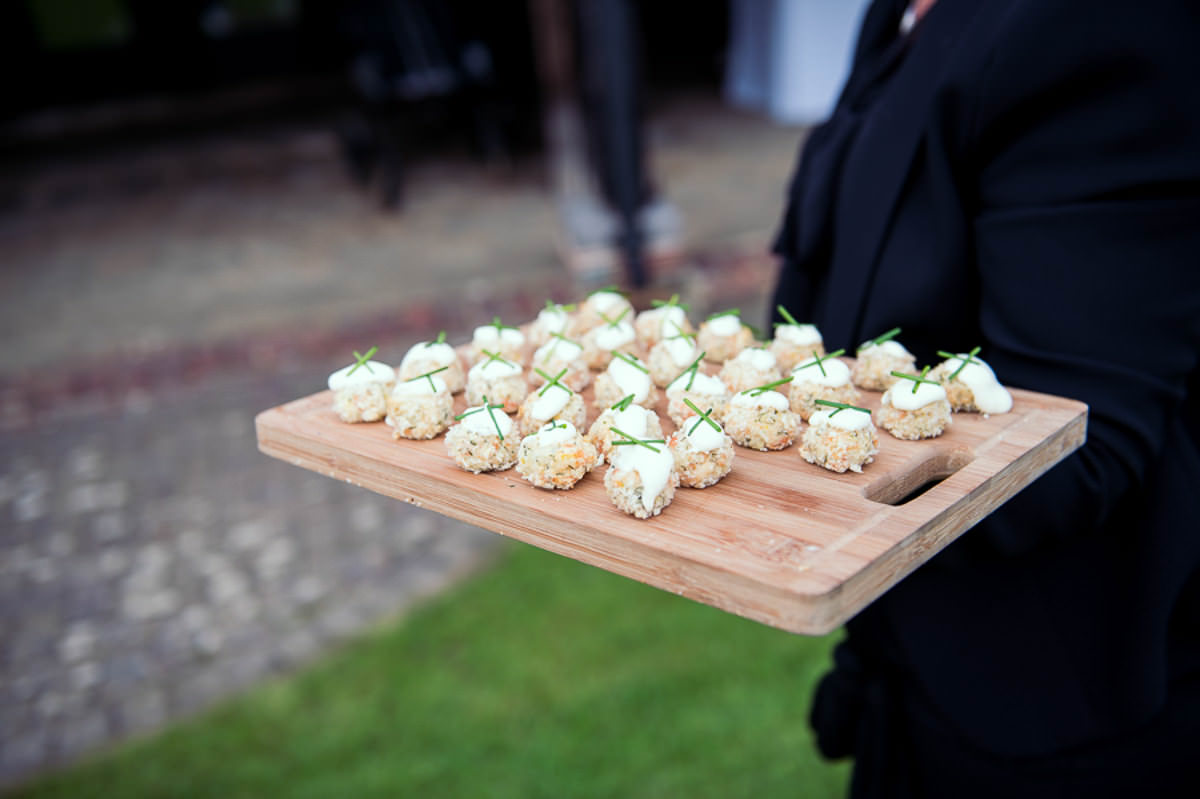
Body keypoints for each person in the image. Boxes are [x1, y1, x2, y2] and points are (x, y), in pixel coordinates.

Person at [769, 1, 1200, 796]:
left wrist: (787, 485)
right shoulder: (896, 13)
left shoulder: (1086, 23)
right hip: (910, 649)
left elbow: (1087, 432)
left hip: (1051, 692)